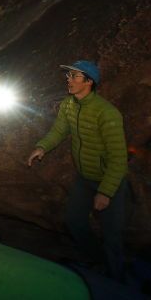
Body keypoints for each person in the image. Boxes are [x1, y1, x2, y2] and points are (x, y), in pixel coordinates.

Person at [27, 60, 129, 281]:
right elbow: (59, 130)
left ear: (89, 82)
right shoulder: (68, 105)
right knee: (74, 221)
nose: (69, 80)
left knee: (112, 235)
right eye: (68, 76)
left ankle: (117, 280)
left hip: (109, 180)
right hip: (84, 178)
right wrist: (42, 147)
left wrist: (106, 192)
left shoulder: (107, 113)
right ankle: (97, 260)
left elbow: (119, 158)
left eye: (75, 76)